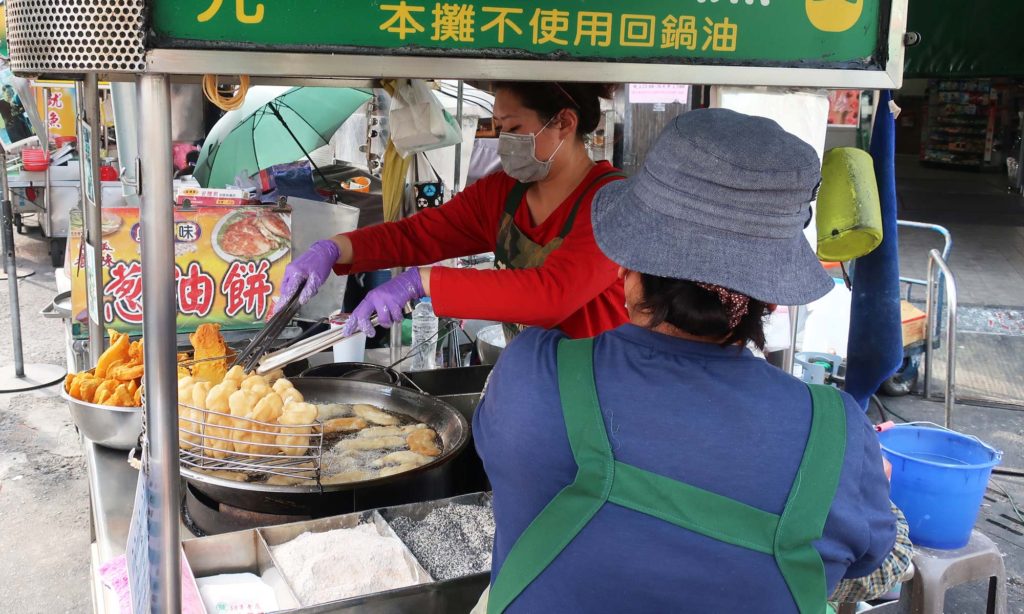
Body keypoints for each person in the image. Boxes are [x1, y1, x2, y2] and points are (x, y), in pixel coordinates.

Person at [472, 109, 911, 614]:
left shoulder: (532, 374)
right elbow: (878, 566)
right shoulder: (838, 434)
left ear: (625, 269)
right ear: (769, 298)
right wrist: (865, 480)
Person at [277, 82, 627, 340]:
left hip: (600, 389)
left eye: (515, 128)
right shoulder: (502, 192)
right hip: (532, 377)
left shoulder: (612, 203)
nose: (505, 141)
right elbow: (418, 234)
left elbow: (552, 294)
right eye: (501, 128)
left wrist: (420, 282)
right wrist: (336, 248)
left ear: (564, 122)